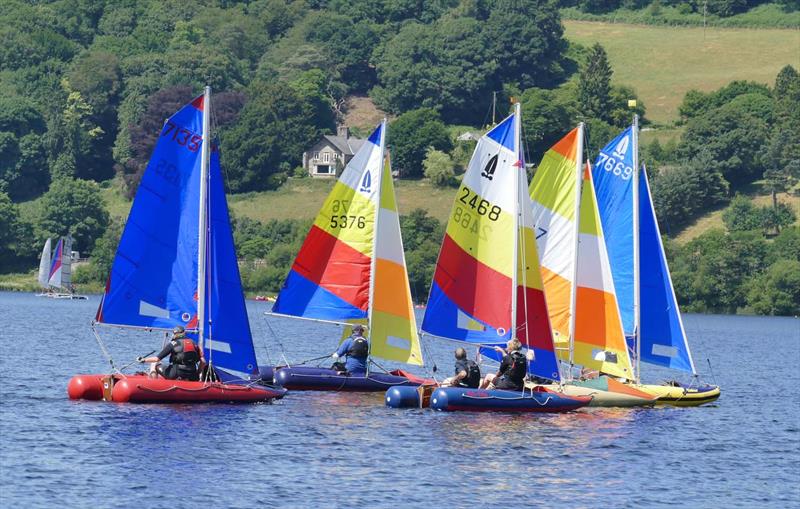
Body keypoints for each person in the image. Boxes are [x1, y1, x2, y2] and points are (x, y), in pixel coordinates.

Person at [139, 326, 205, 381]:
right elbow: (203, 361)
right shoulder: (194, 343)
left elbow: (156, 359)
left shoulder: (173, 343)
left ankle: (153, 386)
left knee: (154, 364)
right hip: (192, 375)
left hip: (176, 373)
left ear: (174, 334)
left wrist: (143, 360)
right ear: (184, 333)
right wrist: (197, 373)